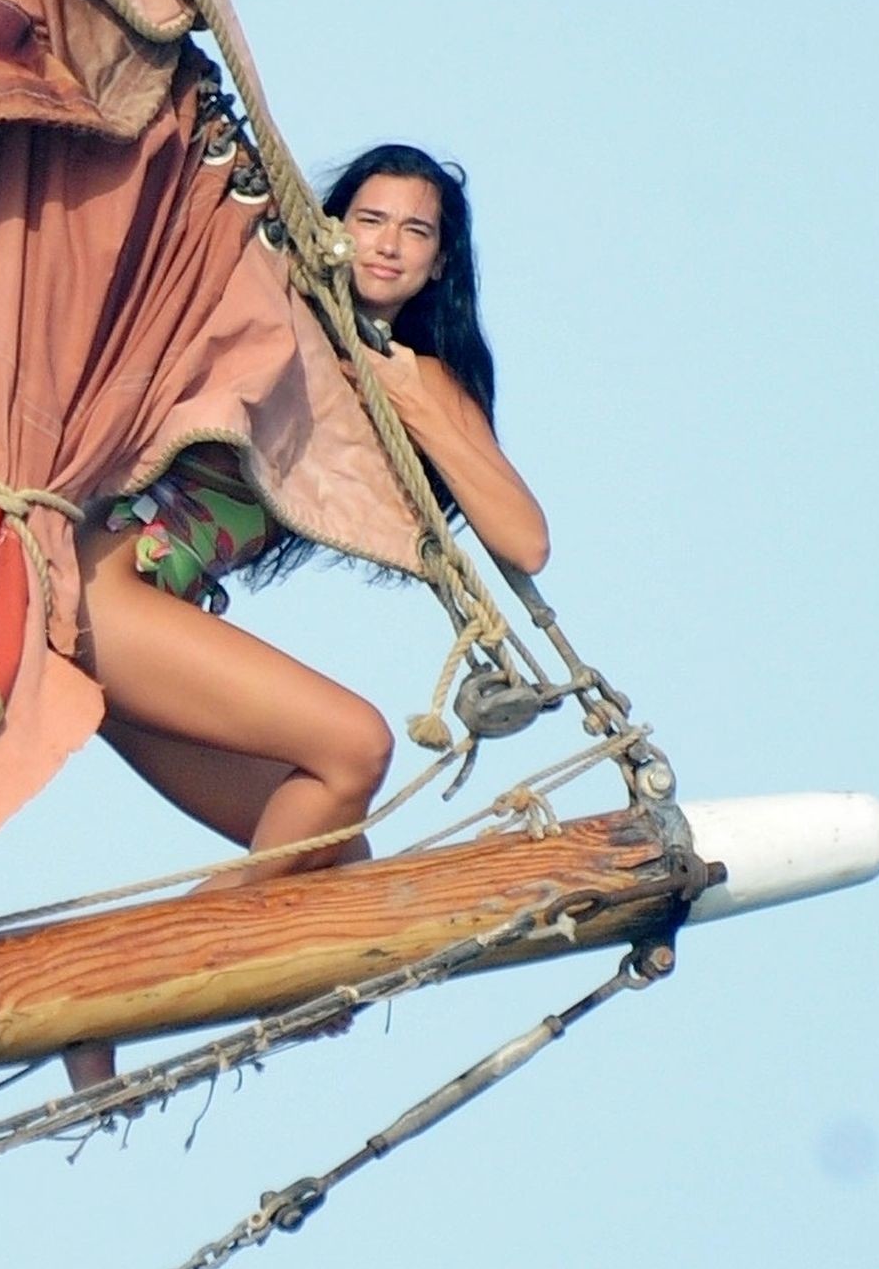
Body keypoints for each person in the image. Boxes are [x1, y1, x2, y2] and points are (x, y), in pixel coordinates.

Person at [63, 143, 549, 1090]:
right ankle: (120, 983)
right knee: (355, 745)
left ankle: (101, 1003)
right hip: (99, 586)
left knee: (333, 870)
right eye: (370, 220)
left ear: (439, 262)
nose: (389, 244)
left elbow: (523, 541)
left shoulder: (416, 377)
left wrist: (411, 391)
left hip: (142, 633)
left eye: (416, 231)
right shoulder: (264, 290)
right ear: (333, 227)